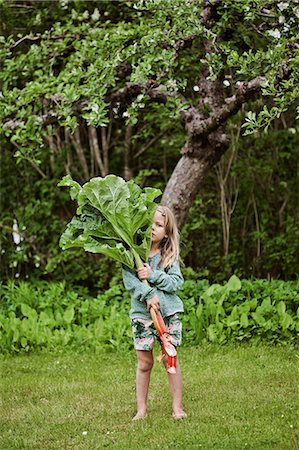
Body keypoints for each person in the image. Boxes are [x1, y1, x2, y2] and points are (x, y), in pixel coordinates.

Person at [122, 205, 187, 421]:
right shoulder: (132, 253)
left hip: (168, 315)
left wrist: (154, 275)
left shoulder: (168, 255)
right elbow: (130, 282)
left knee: (171, 360)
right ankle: (141, 409)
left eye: (159, 225)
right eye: (150, 223)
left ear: (166, 232)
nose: (153, 228)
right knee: (144, 363)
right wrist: (148, 295)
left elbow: (176, 283)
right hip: (142, 316)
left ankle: (177, 408)